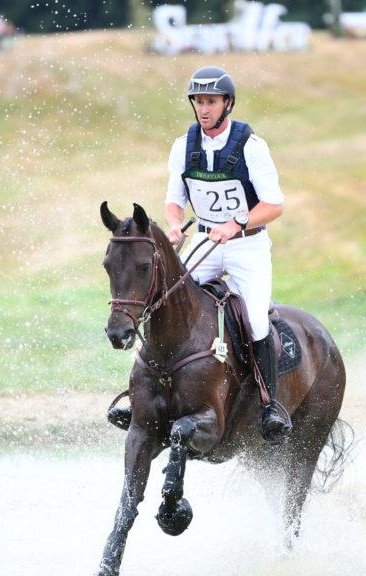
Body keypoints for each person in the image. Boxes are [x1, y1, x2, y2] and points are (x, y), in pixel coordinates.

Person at [109, 66, 291, 443]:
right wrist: (174, 225)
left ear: (227, 104)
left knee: (256, 318)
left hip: (247, 245)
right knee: (161, 301)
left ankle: (269, 403)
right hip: (205, 242)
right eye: (198, 102)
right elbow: (174, 200)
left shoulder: (251, 147)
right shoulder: (183, 146)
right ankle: (135, 396)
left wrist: (236, 223)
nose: (203, 109)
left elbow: (274, 205)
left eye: (210, 101)